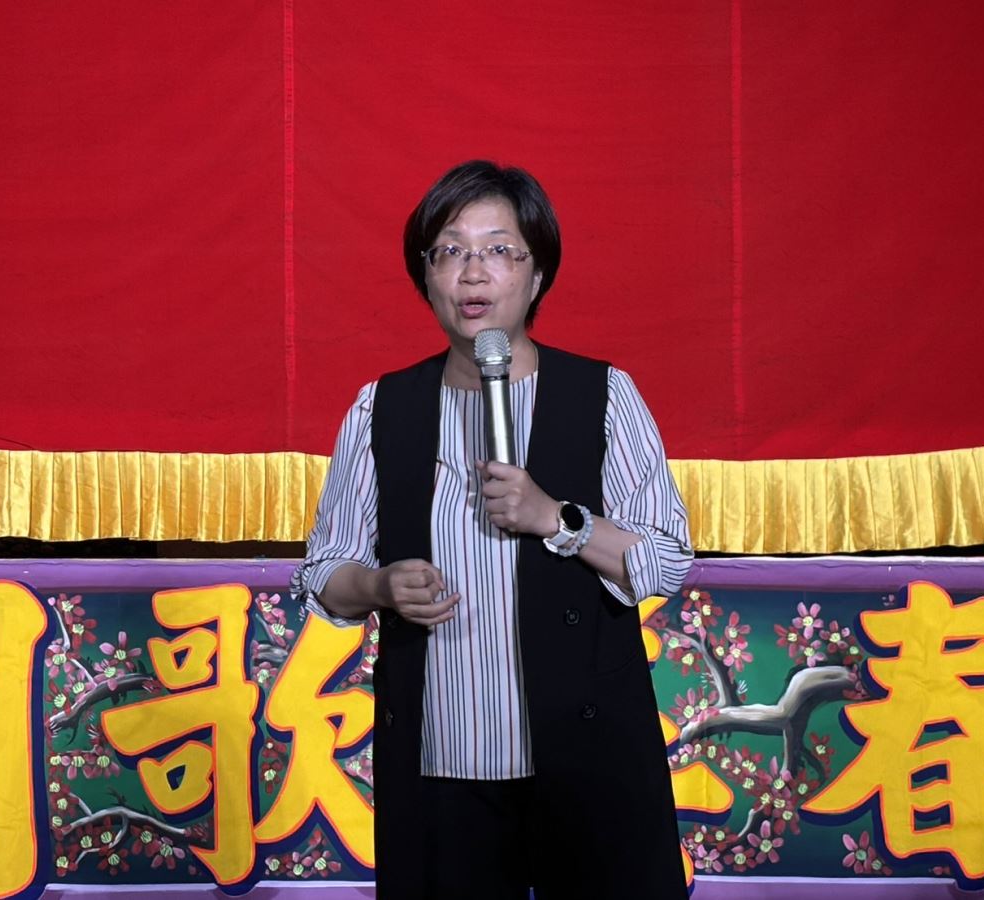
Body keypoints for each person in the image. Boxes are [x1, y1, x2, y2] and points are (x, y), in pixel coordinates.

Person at [293, 160, 693, 899]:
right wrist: (379, 586)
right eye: (450, 251)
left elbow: (665, 561)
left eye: (499, 250)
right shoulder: (381, 408)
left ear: (537, 276)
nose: (473, 271)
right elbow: (325, 573)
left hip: (587, 754)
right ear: (427, 277)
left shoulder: (604, 395)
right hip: (441, 761)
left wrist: (555, 519)